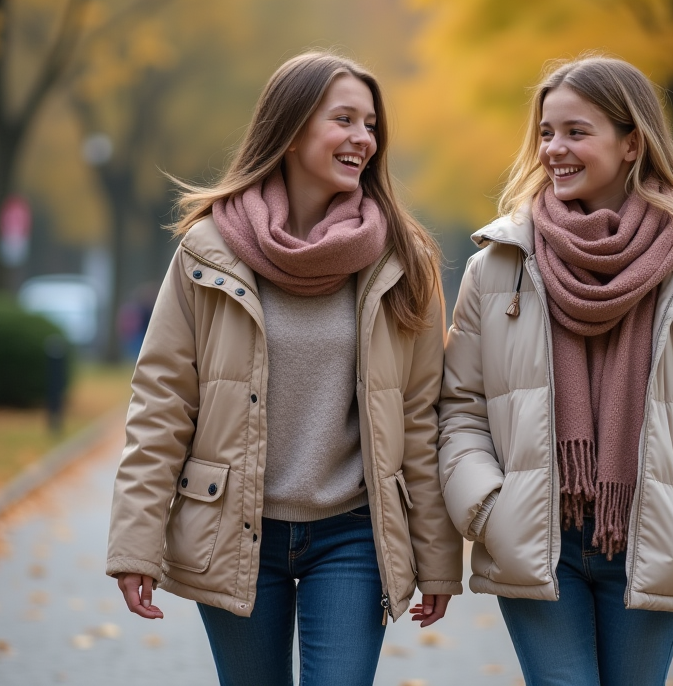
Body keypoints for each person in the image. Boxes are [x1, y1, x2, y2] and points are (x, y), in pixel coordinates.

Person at [106, 52, 462, 686]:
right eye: (344, 119)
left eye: (371, 125)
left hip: (353, 534)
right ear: (293, 129)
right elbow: (162, 402)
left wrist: (436, 557)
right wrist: (136, 544)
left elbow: (419, 419)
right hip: (235, 526)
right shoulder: (207, 250)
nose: (364, 139)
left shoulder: (405, 260)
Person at [438, 55, 673, 685]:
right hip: (539, 539)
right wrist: (490, 507)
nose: (553, 150)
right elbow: (461, 406)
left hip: (651, 540)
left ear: (631, 144)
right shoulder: (500, 266)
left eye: (575, 132)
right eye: (545, 133)